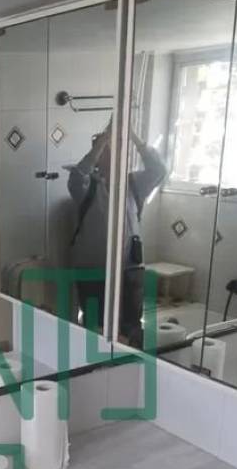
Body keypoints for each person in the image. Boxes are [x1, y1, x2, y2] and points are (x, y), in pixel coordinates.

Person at [66, 124, 167, 345]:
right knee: (96, 328)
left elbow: (158, 171)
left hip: (130, 270)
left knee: (131, 328)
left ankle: (130, 362)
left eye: (117, 151)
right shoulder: (87, 188)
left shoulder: (134, 184)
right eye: (107, 151)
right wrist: (103, 140)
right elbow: (77, 175)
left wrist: (134, 137)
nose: (114, 156)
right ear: (97, 158)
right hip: (93, 271)